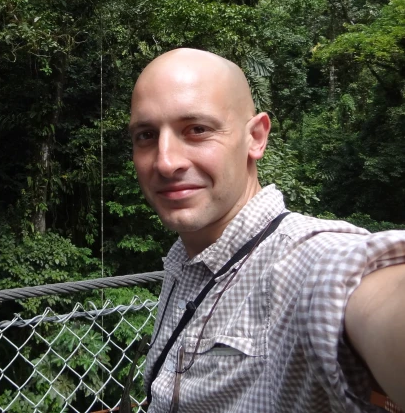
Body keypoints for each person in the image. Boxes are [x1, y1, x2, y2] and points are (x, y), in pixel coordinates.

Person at [129, 48, 405, 412]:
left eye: (196, 130)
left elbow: (370, 288)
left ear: (256, 137)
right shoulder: (185, 259)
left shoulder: (302, 262)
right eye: (146, 135)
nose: (165, 161)